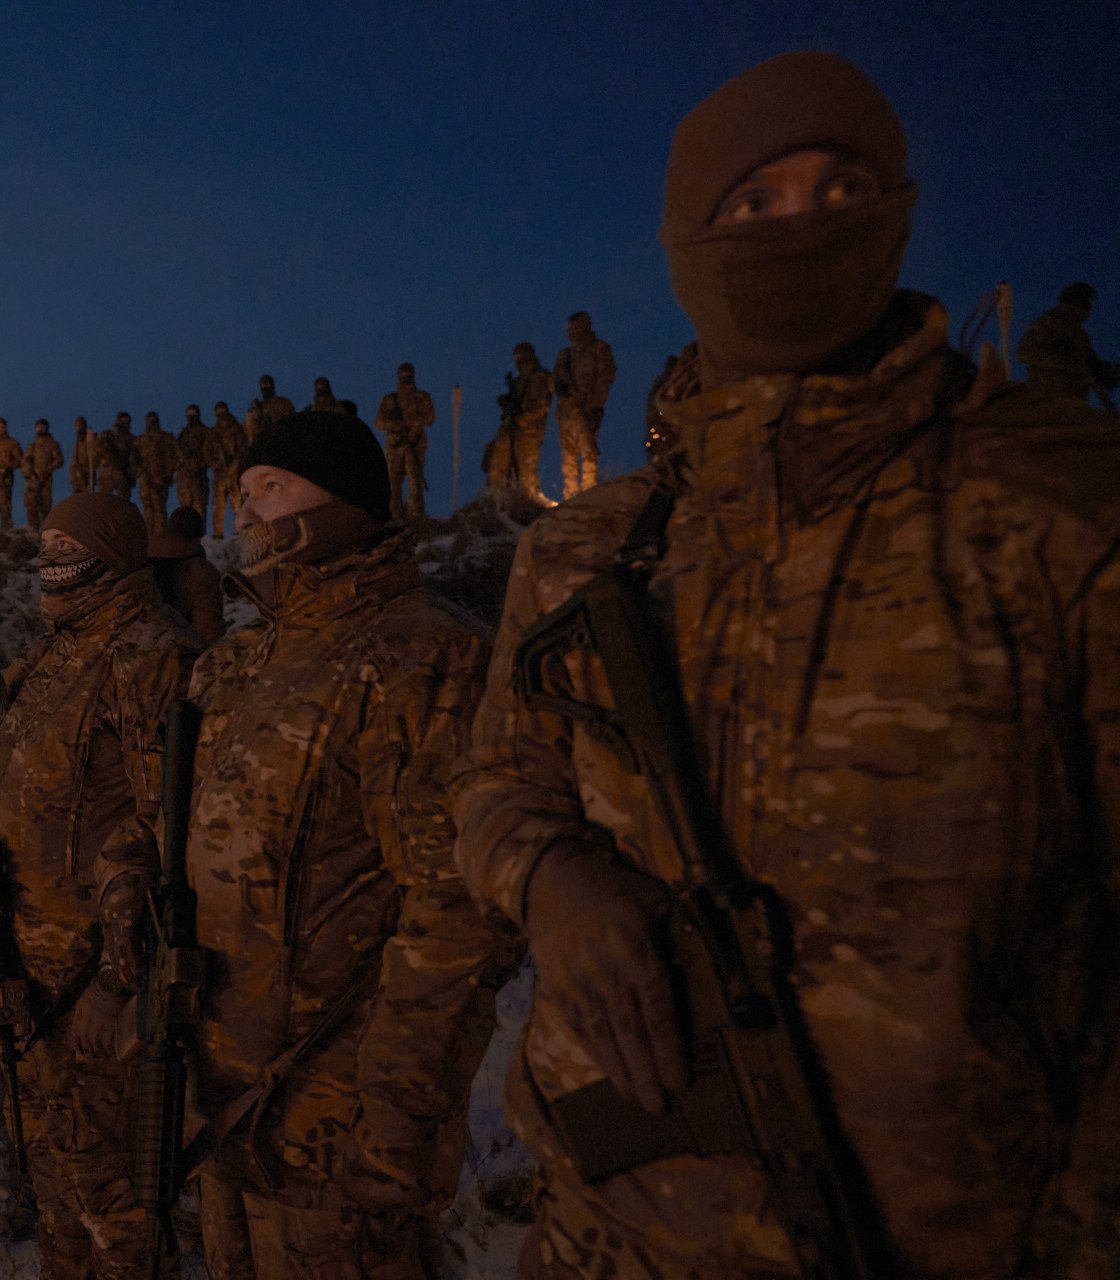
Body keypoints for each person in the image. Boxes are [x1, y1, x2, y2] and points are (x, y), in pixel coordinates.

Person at [453, 51, 1120, 1280]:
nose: (798, 228)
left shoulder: (1055, 506)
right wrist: (554, 880)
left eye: (840, 188)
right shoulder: (596, 542)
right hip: (617, 1226)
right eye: (752, 205)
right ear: (687, 242)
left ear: (899, 212)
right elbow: (498, 780)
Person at [110, 411, 523, 1280]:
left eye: (272, 489)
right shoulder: (237, 661)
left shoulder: (423, 655)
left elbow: (455, 915)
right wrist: (128, 882)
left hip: (336, 1112)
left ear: (343, 503)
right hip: (219, 1083)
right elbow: (168, 822)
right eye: (243, 493)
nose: (248, 513)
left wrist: (399, 1113)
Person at [0, 492, 201, 1279]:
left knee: (115, 1193)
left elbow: (171, 833)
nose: (49, 550)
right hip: (30, 969)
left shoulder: (151, 653)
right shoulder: (54, 653)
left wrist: (117, 986)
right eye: (45, 536)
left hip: (100, 981)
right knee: (54, 1177)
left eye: (68, 540)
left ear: (112, 551)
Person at [1018, 282, 1118, 407]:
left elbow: (1093, 365)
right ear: (1072, 305)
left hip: (1073, 403)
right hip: (1047, 400)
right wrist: (1073, 365)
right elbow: (1025, 352)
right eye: (1085, 306)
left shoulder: (1080, 336)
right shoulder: (1049, 324)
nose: (1087, 313)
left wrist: (1107, 372)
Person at [552, 312, 617, 499]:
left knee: (589, 452)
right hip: (566, 410)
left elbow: (606, 377)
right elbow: (554, 379)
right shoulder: (564, 355)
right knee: (568, 456)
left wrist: (595, 403)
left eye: (572, 327)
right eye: (568, 328)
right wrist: (558, 387)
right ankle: (570, 495)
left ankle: (589, 493)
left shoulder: (599, 349)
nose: (569, 332)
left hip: (587, 408)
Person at [148, 506, 225, 644]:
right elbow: (209, 630)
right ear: (198, 537)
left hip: (127, 653)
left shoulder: (141, 558)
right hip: (174, 656)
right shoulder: (201, 571)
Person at [374, 362, 434, 519]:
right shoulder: (390, 400)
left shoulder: (422, 397)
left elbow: (430, 418)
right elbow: (379, 422)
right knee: (393, 483)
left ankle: (416, 515)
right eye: (402, 375)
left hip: (414, 443)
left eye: (407, 375)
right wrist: (393, 424)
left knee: (415, 480)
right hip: (394, 445)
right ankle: (394, 516)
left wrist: (411, 423)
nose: (405, 378)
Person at [505, 342, 552, 499]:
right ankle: (519, 497)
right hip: (517, 429)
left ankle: (530, 498)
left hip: (531, 429)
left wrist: (522, 420)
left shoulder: (540, 376)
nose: (518, 361)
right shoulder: (520, 380)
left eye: (520, 357)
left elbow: (542, 405)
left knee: (527, 467)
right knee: (512, 465)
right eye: (516, 357)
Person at [207, 402, 247, 537]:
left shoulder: (236, 429)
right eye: (218, 411)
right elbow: (207, 451)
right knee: (218, 505)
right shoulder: (213, 433)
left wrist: (235, 463)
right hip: (220, 474)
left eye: (222, 410)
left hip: (234, 473)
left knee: (238, 503)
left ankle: (239, 531)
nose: (221, 414)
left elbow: (242, 448)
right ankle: (218, 534)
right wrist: (214, 464)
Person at [134, 412, 177, 535]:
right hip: (145, 480)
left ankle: (161, 535)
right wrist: (139, 471)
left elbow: (175, 456)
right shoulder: (141, 440)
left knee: (159, 507)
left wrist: (168, 473)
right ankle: (150, 535)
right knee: (147, 506)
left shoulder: (165, 438)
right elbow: (133, 458)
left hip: (160, 479)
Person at [21, 418, 65, 531]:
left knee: (45, 506)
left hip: (45, 480)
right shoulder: (32, 445)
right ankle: (33, 530)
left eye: (42, 426)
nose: (39, 428)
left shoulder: (52, 444)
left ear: (46, 428)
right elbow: (25, 461)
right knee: (31, 505)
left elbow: (59, 460)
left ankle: (46, 531)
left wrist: (48, 469)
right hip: (32, 480)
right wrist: (29, 474)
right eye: (37, 426)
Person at [174, 405, 213, 524]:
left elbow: (210, 452)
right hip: (184, 477)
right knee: (185, 509)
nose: (191, 416)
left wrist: (201, 465)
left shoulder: (205, 432)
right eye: (189, 413)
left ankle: (199, 536)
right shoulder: (183, 433)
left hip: (198, 477)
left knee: (199, 508)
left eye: (193, 413)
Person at [91, 413, 138, 501]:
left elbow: (133, 459)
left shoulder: (131, 439)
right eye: (124, 421)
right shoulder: (107, 435)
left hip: (120, 474)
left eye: (127, 421)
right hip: (110, 472)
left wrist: (132, 476)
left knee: (120, 503)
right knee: (105, 501)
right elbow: (97, 453)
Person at [68, 416, 93, 497]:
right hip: (77, 476)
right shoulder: (78, 443)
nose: (78, 428)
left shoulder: (89, 440)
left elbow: (93, 457)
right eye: (77, 426)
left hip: (87, 473)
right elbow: (74, 460)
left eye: (80, 425)